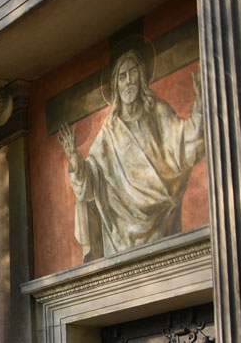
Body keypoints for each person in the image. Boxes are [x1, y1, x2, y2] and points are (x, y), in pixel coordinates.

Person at [59, 48, 206, 260]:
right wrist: (74, 157)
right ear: (116, 86)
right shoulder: (109, 133)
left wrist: (200, 103)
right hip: (120, 232)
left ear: (141, 78)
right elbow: (91, 180)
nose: (128, 81)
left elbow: (185, 142)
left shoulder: (158, 112)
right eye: (122, 76)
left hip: (163, 221)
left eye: (133, 73)